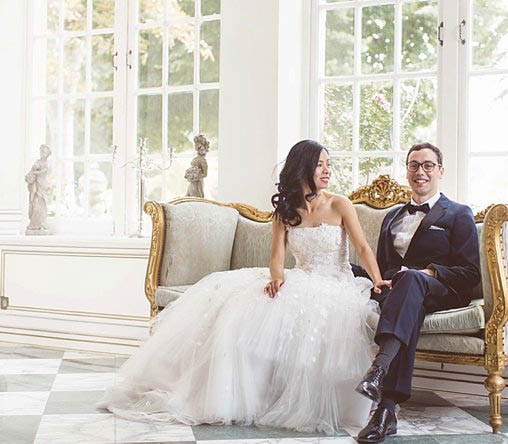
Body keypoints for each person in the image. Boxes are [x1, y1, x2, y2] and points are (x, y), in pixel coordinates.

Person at [98, 140, 391, 434]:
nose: (327, 170)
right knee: (245, 304)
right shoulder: (285, 212)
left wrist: (377, 279)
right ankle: (246, 396)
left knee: (310, 311)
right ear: (303, 168)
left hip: (336, 282)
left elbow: (363, 247)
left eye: (329, 164)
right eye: (320, 164)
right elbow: (276, 258)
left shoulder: (339, 203)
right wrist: (277, 277)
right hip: (301, 277)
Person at [352, 143, 481, 443]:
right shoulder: (393, 216)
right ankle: (386, 409)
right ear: (407, 171)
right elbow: (384, 268)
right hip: (398, 292)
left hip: (441, 291)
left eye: (428, 165)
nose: (420, 171)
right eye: (413, 165)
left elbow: (471, 273)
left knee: (410, 282)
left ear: (440, 171)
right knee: (348, 270)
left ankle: (380, 376)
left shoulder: (459, 214)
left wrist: (428, 273)